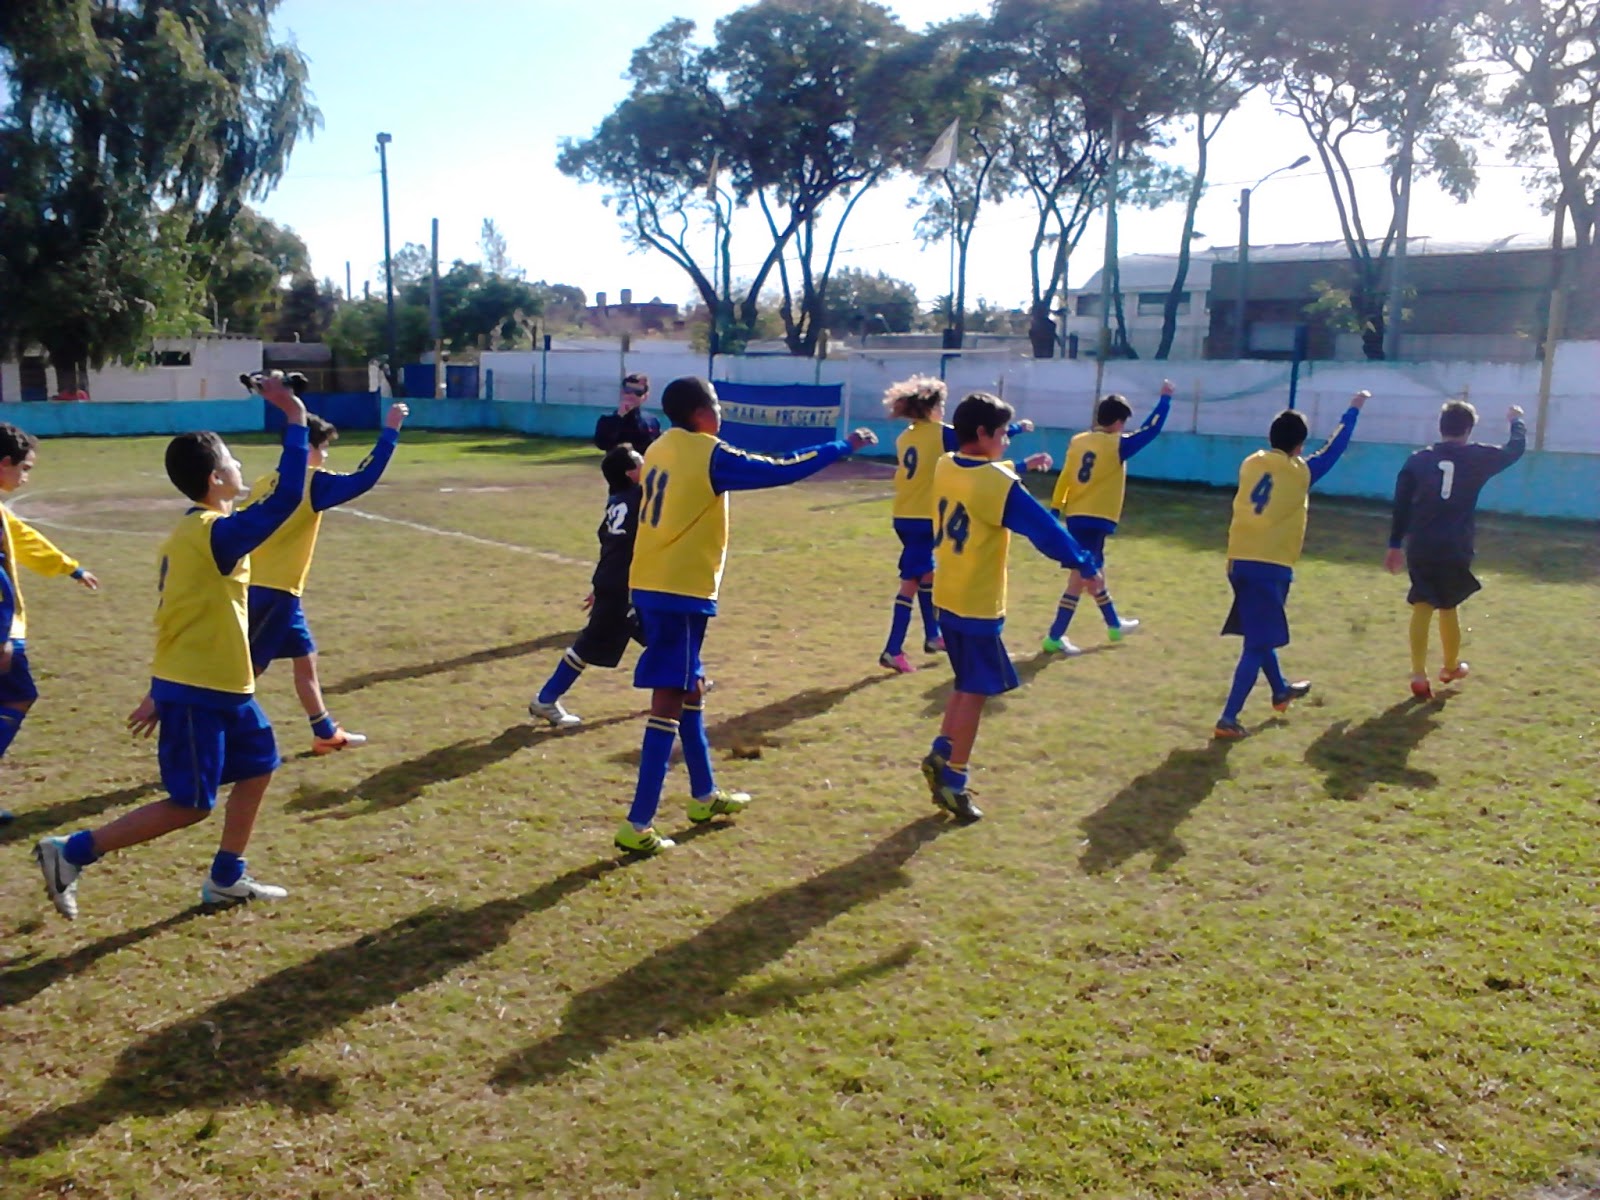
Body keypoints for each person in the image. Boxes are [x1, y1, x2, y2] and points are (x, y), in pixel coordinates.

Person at [33, 376, 310, 920]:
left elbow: (178, 615)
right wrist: (295, 420)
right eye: (232, 462)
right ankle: (72, 851)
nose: (239, 469)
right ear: (216, 478)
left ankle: (227, 877)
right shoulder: (214, 532)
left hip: (226, 685)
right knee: (191, 804)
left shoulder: (193, 533)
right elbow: (284, 503)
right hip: (202, 689)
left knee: (260, 765)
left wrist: (158, 690)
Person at [618, 376, 877, 855]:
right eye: (716, 405)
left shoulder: (660, 448)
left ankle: (704, 796)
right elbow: (780, 469)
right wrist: (843, 445)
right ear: (701, 413)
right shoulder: (708, 454)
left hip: (654, 580)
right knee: (669, 701)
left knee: (690, 688)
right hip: (678, 589)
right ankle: (638, 824)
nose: (721, 415)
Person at [922, 392, 1097, 822]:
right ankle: (954, 780)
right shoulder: (997, 484)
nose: (1006, 440)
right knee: (978, 690)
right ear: (981, 434)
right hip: (977, 602)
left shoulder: (947, 465)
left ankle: (942, 753)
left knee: (966, 682)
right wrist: (1083, 562)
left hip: (948, 594)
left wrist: (1015, 463)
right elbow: (1044, 529)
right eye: (1002, 433)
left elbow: (987, 477)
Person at [240, 398, 409, 754]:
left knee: (306, 659)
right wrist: (390, 431)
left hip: (279, 590)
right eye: (325, 447)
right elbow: (364, 478)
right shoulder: (309, 482)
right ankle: (211, 736)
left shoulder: (264, 482)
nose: (326, 456)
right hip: (271, 592)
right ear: (306, 446)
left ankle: (325, 732)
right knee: (242, 676)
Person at [1214, 391, 1369, 739]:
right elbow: (1334, 449)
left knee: (1260, 630)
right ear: (1300, 445)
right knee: (1255, 643)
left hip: (1238, 558)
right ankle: (1228, 717)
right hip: (1271, 564)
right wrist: (1353, 411)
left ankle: (1281, 689)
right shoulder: (1300, 472)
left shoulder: (1250, 463)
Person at [879, 375, 1032, 673]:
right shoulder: (941, 434)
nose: (944, 411)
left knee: (927, 576)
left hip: (903, 514)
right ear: (932, 407)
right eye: (942, 405)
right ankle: (892, 649)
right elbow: (975, 442)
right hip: (925, 518)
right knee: (910, 582)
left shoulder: (905, 437)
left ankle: (933, 636)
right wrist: (1016, 431)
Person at [1384, 401, 1526, 699]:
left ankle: (1419, 674)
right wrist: (1516, 421)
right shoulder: (1476, 457)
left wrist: (1395, 543)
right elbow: (1514, 450)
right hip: (1455, 543)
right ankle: (1449, 666)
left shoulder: (1418, 460)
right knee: (1448, 604)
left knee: (1422, 602)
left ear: (1441, 426)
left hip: (1421, 542)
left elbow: (1401, 505)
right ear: (1469, 429)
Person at [0, 422, 101, 826]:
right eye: (24, 468)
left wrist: (70, 568)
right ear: (4, 463)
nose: (26, 478)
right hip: (5, 633)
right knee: (19, 695)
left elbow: (22, 538)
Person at [1043, 381, 1173, 654]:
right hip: (1097, 517)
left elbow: (1065, 475)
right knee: (1082, 578)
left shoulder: (1079, 441)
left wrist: (1056, 508)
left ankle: (1113, 625)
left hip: (1076, 515)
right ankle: (1056, 636)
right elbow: (1151, 430)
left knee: (1090, 573)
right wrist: (1165, 400)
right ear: (1117, 421)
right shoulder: (1117, 444)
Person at [528, 443, 646, 727]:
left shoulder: (617, 499)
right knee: (588, 645)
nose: (647, 463)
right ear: (631, 474)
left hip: (616, 582)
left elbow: (611, 545)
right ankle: (546, 699)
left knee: (660, 635)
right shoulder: (641, 496)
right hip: (621, 586)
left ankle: (691, 681)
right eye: (641, 460)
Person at [593, 373, 661, 453]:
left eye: (638, 391)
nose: (631, 395)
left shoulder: (651, 421)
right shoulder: (606, 420)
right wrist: (619, 417)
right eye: (628, 390)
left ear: (645, 396)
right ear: (622, 392)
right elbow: (602, 444)